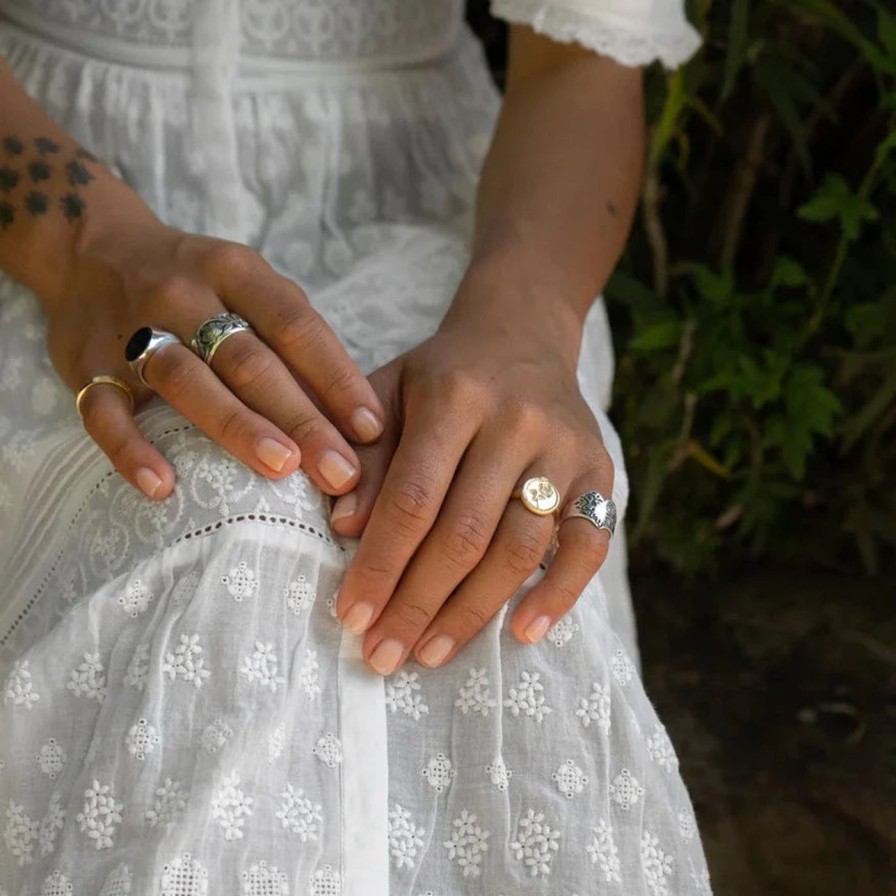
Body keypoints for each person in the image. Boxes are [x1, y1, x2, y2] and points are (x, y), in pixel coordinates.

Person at [0, 1, 711, 893]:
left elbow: (576, 65)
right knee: (228, 537)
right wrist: (80, 244)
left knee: (475, 544)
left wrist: (524, 327)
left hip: (463, 228)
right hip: (43, 190)